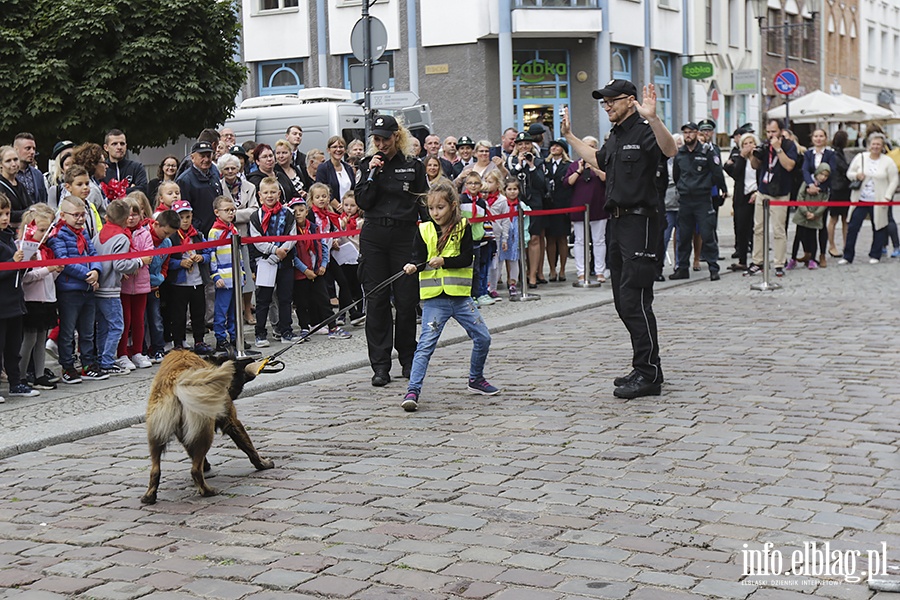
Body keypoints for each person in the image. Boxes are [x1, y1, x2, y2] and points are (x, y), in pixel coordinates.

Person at [562, 79, 677, 400]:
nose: (607, 106)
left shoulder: (644, 129)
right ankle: (646, 364)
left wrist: (654, 117)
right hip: (618, 222)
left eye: (612, 101)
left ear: (630, 101)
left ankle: (648, 374)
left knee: (635, 299)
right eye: (604, 102)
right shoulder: (617, 135)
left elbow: (670, 149)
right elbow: (600, 159)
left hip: (640, 221)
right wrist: (569, 137)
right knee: (623, 301)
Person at [400, 181, 497, 412]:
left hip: (461, 299)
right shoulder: (424, 229)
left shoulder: (463, 226)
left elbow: (466, 259)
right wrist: (413, 265)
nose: (435, 213)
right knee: (425, 346)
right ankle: (413, 390)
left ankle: (476, 379)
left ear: (452, 206)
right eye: (432, 209)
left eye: (440, 208)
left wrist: (444, 261)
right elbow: (418, 256)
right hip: (435, 300)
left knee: (483, 338)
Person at [355, 115, 429, 386]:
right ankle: (380, 365)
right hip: (374, 235)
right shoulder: (367, 165)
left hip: (404, 235)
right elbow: (362, 200)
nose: (381, 143)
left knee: (407, 301)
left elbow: (423, 203)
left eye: (385, 138)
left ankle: (408, 358)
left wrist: (430, 239)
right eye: (376, 139)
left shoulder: (413, 166)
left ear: (397, 137)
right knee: (376, 301)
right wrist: (371, 174)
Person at [47, 183, 106, 384]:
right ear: (63, 216)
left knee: (87, 331)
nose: (81, 219)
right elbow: (64, 261)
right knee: (67, 332)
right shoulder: (57, 236)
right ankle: (67, 366)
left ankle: (88, 364)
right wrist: (86, 274)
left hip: (88, 289)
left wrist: (97, 271)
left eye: (83, 215)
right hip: (69, 290)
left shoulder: (83, 234)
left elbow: (93, 253)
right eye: (76, 215)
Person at [93, 199, 151, 376]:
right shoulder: (121, 238)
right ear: (126, 219)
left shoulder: (100, 234)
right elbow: (120, 265)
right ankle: (108, 360)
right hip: (111, 288)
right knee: (117, 326)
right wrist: (139, 261)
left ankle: (101, 359)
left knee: (103, 326)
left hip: (99, 287)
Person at [669, 122, 726, 281]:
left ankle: (713, 268)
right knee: (684, 237)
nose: (688, 135)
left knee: (707, 235)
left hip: (702, 199)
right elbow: (676, 176)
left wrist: (718, 188)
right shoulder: (680, 154)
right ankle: (682, 268)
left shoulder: (706, 152)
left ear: (696, 133)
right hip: (685, 200)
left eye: (691, 132)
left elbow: (716, 172)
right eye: (685, 133)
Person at [249, 177, 297, 346]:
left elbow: (293, 236)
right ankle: (260, 333)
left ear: (279, 193)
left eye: (273, 192)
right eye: (266, 193)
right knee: (263, 299)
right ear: (260, 195)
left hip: (285, 261)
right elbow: (256, 239)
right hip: (265, 261)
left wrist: (282, 251)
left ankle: (286, 331)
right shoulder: (256, 216)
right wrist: (273, 251)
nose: (270, 196)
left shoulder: (288, 213)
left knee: (285, 298)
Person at [746, 119, 798, 277]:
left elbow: (789, 166)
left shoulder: (789, 145)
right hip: (763, 190)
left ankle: (779, 263)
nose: (770, 135)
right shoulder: (764, 145)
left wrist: (778, 149)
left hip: (781, 193)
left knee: (778, 230)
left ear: (781, 131)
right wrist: (752, 155)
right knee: (758, 228)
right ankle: (757, 261)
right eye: (768, 132)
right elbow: (756, 165)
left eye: (774, 132)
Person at [839, 132, 900, 265]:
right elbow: (849, 173)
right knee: (853, 226)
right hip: (860, 199)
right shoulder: (861, 157)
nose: (876, 147)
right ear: (868, 146)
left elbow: (894, 180)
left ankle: (875, 254)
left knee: (879, 226)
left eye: (878, 144)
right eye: (873, 144)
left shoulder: (888, 161)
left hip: (878, 200)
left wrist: (887, 197)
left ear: (883, 146)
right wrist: (856, 175)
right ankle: (847, 255)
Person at [18, 203, 60, 391]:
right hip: (32, 300)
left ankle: (40, 374)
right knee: (30, 340)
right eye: (42, 229)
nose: (46, 234)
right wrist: (46, 270)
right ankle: (21, 375)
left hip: (47, 299)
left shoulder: (45, 250)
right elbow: (26, 277)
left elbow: (48, 278)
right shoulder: (26, 251)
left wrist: (55, 271)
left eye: (48, 229)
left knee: (41, 340)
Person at [0, 192, 37, 400]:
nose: (5, 218)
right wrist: (13, 264)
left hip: (14, 302)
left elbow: (17, 272)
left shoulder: (9, 238)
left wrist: (24, 263)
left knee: (14, 346)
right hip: (1, 304)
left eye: (6, 213)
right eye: (1, 214)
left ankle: (16, 382)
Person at [165, 200, 213, 354]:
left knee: (199, 312)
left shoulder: (197, 235)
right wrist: (180, 263)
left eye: (187, 217)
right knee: (178, 314)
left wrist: (201, 258)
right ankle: (178, 342)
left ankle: (199, 341)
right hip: (179, 283)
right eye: (181, 218)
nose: (185, 221)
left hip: (197, 281)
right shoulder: (171, 238)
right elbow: (167, 260)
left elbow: (207, 253)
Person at [218, 153, 259, 325]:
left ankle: (247, 309)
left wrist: (233, 215)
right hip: (225, 236)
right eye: (226, 168)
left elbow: (254, 210)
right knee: (228, 275)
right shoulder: (218, 186)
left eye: (233, 168)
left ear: (238, 168)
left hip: (245, 236)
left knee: (247, 276)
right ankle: (230, 313)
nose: (230, 171)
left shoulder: (249, 186)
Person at [564, 135, 609, 284]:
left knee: (599, 240)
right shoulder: (574, 165)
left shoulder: (602, 164)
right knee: (580, 240)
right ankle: (581, 272)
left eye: (592, 146)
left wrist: (595, 167)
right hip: (579, 207)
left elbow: (607, 179)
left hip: (598, 206)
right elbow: (567, 183)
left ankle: (599, 271)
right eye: (586, 146)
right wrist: (579, 170)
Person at [117, 196, 154, 370]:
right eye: (128, 214)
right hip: (123, 285)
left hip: (141, 283)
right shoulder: (119, 234)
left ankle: (138, 352)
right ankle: (122, 353)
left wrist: (134, 261)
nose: (131, 218)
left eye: (135, 214)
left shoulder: (145, 233)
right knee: (125, 320)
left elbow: (148, 255)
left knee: (139, 320)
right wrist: (132, 263)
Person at [508, 131, 548, 288]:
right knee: (519, 239)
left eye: (526, 144)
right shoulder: (512, 161)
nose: (524, 147)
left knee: (534, 238)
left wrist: (531, 166)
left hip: (535, 203)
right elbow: (510, 179)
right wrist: (519, 165)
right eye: (520, 144)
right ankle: (521, 272)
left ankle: (533, 274)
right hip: (518, 204)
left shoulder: (538, 161)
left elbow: (541, 184)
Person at [208, 196, 244, 353]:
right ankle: (221, 338)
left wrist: (241, 271)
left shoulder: (233, 229)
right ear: (217, 212)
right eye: (227, 210)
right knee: (221, 310)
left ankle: (236, 337)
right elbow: (212, 255)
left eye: (232, 210)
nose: (230, 213)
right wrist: (215, 276)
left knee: (235, 310)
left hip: (235, 276)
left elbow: (239, 254)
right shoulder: (214, 232)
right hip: (223, 277)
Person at [144, 210, 180, 363]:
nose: (166, 237)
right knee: (142, 321)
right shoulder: (145, 237)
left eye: (169, 234)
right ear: (156, 224)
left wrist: (161, 277)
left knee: (156, 318)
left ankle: (158, 349)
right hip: (141, 284)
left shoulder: (167, 243)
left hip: (155, 286)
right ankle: (142, 350)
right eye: (165, 232)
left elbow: (165, 263)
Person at [799, 128, 837, 268]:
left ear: (825, 138)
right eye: (816, 136)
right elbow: (805, 170)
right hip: (810, 192)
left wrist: (819, 186)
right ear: (812, 138)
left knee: (821, 224)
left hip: (823, 193)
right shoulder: (808, 153)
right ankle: (809, 253)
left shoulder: (830, 154)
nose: (818, 139)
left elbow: (831, 172)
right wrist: (810, 184)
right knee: (809, 223)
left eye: (821, 136)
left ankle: (822, 254)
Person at [724, 132, 758, 271]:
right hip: (742, 196)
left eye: (751, 143)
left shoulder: (759, 158)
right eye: (745, 144)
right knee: (742, 228)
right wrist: (742, 157)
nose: (748, 146)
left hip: (756, 194)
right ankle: (742, 259)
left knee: (756, 229)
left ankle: (758, 260)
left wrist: (758, 192)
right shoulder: (740, 158)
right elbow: (736, 174)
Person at [787, 163, 830, 270]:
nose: (823, 177)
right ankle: (793, 258)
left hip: (815, 216)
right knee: (798, 236)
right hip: (802, 215)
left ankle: (812, 259)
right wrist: (805, 211)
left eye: (826, 176)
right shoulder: (807, 183)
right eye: (822, 174)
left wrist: (816, 214)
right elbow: (800, 197)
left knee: (812, 237)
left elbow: (825, 202)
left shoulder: (825, 188)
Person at [176, 141, 224, 235]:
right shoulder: (185, 180)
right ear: (193, 158)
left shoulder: (214, 175)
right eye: (202, 156)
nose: (206, 159)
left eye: (208, 156)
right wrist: (197, 229)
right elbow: (183, 210)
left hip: (217, 230)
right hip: (199, 233)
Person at [543, 138, 573, 282]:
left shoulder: (568, 165)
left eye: (557, 146)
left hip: (563, 204)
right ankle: (552, 269)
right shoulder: (545, 164)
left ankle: (562, 269)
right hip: (548, 205)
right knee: (550, 239)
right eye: (552, 146)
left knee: (562, 238)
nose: (554, 148)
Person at [827, 130, 852, 258]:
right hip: (839, 189)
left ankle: (844, 244)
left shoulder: (837, 153)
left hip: (840, 189)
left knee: (843, 219)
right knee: (836, 219)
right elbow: (845, 169)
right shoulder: (836, 154)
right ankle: (832, 245)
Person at [102, 129, 149, 196]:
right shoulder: (102, 169)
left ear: (126, 146)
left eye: (122, 144)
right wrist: (131, 190)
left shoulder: (136, 167)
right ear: (106, 147)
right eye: (114, 144)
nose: (119, 147)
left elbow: (143, 189)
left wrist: (113, 193)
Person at [316, 136, 356, 211]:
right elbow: (323, 191)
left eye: (341, 147)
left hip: (349, 211)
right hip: (331, 211)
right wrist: (339, 208)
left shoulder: (348, 168)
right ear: (328, 150)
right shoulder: (323, 168)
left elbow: (353, 189)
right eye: (334, 147)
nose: (338, 149)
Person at [498, 178, 522, 296]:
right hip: (503, 234)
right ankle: (493, 283)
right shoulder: (502, 203)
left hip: (515, 237)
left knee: (514, 259)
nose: (512, 192)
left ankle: (513, 282)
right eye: (509, 189)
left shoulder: (521, 205)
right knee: (499, 259)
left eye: (515, 189)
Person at [13, 133, 48, 206]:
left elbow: (43, 199)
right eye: (28, 148)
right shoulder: (8, 174)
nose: (32, 152)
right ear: (16, 149)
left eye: (34, 149)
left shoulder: (38, 174)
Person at [0, 146, 30, 227]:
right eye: (8, 161)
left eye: (16, 159)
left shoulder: (20, 185)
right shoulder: (1, 186)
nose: (13, 164)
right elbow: (7, 213)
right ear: (1, 164)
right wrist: (28, 212)